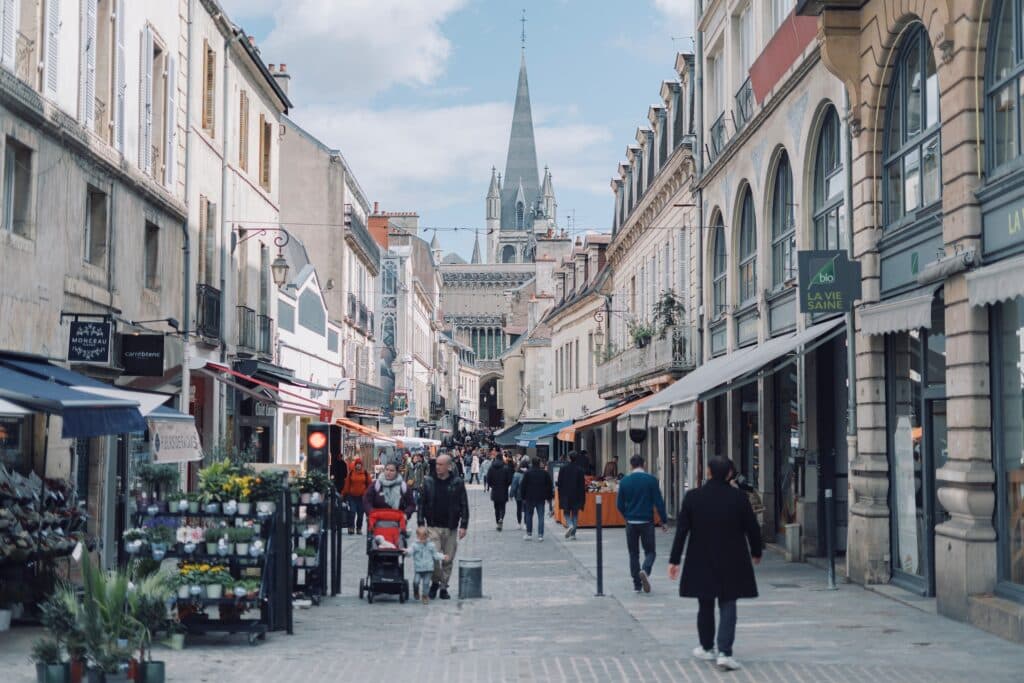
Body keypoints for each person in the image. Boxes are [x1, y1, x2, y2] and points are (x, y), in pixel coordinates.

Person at [668, 457, 763, 672]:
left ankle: (707, 646)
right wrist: (757, 551)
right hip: (733, 558)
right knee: (729, 603)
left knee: (705, 602)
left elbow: (681, 531)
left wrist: (674, 560)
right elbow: (752, 527)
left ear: (708, 472)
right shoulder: (738, 497)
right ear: (730, 474)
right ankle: (725, 653)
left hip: (701, 558)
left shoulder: (693, 497)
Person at [417, 454, 469, 600]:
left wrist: (464, 525)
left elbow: (464, 504)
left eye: (441, 464)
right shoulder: (428, 481)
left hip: (451, 527)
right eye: (437, 464)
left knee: (447, 559)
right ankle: (435, 582)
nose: (437, 467)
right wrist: (421, 524)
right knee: (433, 556)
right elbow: (421, 504)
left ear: (448, 466)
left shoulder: (457, 482)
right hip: (432, 526)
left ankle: (443, 587)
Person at [616, 455, 669, 594]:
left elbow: (619, 504)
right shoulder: (651, 480)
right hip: (647, 522)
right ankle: (645, 570)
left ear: (631, 465)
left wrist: (627, 516)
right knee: (650, 552)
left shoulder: (625, 481)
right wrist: (663, 520)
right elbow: (659, 502)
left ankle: (637, 585)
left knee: (633, 553)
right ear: (644, 464)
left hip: (631, 522)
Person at [407, 526, 448, 604]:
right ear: (417, 536)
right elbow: (410, 551)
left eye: (424, 538)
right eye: (420, 538)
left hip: (428, 568)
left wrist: (443, 556)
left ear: (427, 536)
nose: (422, 540)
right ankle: (416, 591)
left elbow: (435, 555)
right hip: (419, 568)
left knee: (426, 583)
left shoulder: (431, 545)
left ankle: (425, 596)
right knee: (416, 581)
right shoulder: (415, 545)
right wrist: (407, 552)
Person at [520, 457, 553, 542]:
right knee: (541, 516)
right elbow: (549, 486)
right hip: (541, 497)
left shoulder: (527, 473)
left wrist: (523, 497)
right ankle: (540, 535)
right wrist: (549, 497)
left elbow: (523, 486)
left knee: (529, 515)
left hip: (529, 497)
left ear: (532, 463)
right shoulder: (544, 473)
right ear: (539, 463)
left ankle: (529, 534)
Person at [556, 452, 587, 539]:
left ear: (569, 458)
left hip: (565, 494)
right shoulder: (580, 470)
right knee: (575, 514)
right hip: (577, 495)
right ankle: (573, 534)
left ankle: (569, 524)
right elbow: (582, 485)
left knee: (566, 512)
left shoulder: (563, 469)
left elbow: (559, 482)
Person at [340, 457, 372, 534]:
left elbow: (370, 485)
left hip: (362, 498)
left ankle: (359, 528)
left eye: (359, 464)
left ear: (361, 465)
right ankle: (351, 528)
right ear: (355, 465)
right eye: (357, 464)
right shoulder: (351, 473)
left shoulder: (365, 473)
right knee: (352, 512)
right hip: (352, 497)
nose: (358, 466)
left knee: (360, 514)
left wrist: (369, 494)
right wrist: (343, 494)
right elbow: (347, 485)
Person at [486, 453, 513, 531]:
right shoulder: (506, 468)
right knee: (502, 507)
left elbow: (488, 479)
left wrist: (492, 486)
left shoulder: (491, 468)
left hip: (495, 490)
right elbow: (509, 479)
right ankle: (501, 518)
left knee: (496, 507)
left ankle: (498, 521)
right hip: (503, 489)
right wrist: (506, 485)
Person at [509, 457, 527, 529]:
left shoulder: (516, 474)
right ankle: (526, 524)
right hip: (527, 495)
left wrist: (511, 495)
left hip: (518, 495)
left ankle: (519, 523)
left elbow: (513, 486)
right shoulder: (529, 473)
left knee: (519, 509)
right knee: (526, 509)